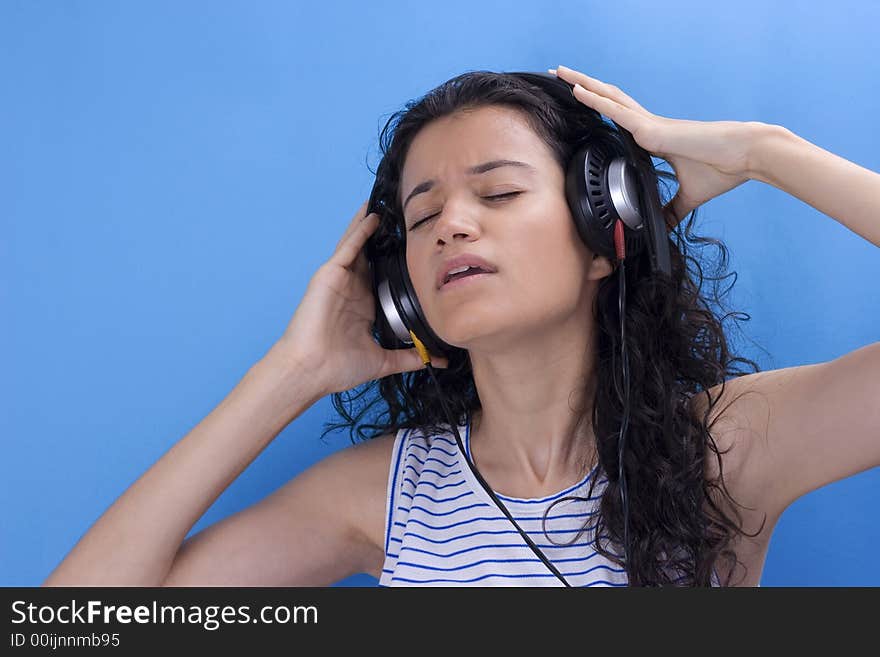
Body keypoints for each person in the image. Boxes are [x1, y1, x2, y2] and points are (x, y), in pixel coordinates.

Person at [43, 65, 880, 588]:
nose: (450, 225)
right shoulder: (385, 497)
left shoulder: (726, 446)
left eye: (500, 193)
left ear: (603, 233)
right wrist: (290, 374)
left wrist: (766, 151)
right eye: (423, 213)